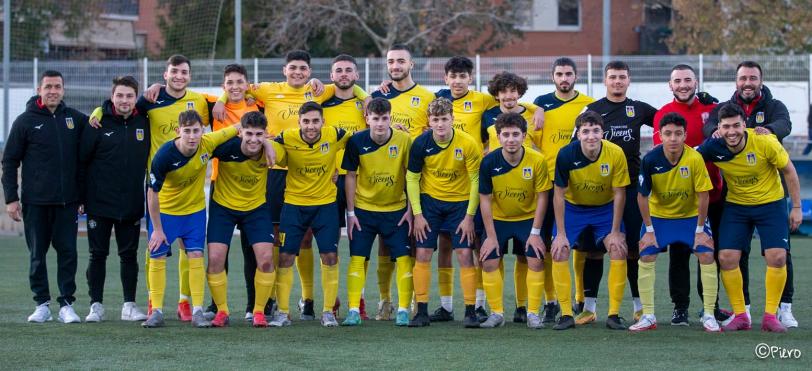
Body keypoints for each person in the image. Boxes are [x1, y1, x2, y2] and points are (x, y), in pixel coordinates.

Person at [703, 61, 797, 328]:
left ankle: (779, 311)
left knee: (779, 255)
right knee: (730, 256)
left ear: (761, 80)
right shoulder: (723, 114)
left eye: (752, 78)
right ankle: (741, 313)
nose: (747, 82)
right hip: (737, 202)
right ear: (736, 81)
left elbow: (784, 126)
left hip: (771, 199)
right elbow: (702, 143)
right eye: (743, 77)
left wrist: (797, 207)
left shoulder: (773, 110)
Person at [2, 70, 88, 323]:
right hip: (35, 203)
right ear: (39, 90)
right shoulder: (25, 121)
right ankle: (42, 304)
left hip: (67, 202)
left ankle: (66, 305)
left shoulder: (74, 119)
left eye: (57, 86)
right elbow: (9, 161)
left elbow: (98, 124)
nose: (53, 91)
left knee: (68, 253)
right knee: (37, 255)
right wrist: (11, 198)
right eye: (48, 86)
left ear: (63, 90)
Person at [143, 111, 240, 328]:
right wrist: (157, 229)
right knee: (157, 255)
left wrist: (269, 144)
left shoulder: (207, 142)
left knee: (196, 255)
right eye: (187, 131)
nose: (192, 136)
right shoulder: (164, 155)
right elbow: (152, 193)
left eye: (196, 130)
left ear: (202, 131)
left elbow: (238, 126)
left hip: (194, 212)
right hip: (166, 213)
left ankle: (197, 311)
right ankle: (156, 310)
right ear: (179, 132)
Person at [652, 64, 729, 326]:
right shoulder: (663, 113)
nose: (683, 85)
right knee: (679, 253)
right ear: (669, 85)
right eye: (678, 81)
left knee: (709, 250)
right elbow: (662, 152)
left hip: (712, 195)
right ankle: (680, 308)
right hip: (679, 200)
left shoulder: (713, 109)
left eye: (688, 80)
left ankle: (712, 306)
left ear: (696, 82)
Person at [629, 112, 720, 332]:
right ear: (659, 135)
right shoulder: (650, 159)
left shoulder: (695, 158)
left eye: (678, 134)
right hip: (660, 218)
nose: (673, 139)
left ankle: (709, 314)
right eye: (668, 134)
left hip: (690, 218)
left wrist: (700, 229)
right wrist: (649, 229)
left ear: (685, 135)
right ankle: (648, 315)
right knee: (647, 253)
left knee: (707, 253)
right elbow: (642, 196)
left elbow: (703, 195)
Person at [581, 61, 656, 325]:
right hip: (602, 189)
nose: (617, 81)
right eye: (612, 77)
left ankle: (638, 307)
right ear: (605, 80)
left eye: (622, 77)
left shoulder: (638, 109)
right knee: (595, 250)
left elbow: (666, 121)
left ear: (628, 80)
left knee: (633, 249)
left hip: (632, 187)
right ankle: (589, 309)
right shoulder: (593, 110)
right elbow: (576, 142)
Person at [268, 102, 349, 328]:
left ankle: (328, 312)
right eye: (306, 121)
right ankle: (283, 312)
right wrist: (265, 141)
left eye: (315, 121)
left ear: (323, 121)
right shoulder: (287, 138)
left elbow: (359, 139)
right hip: (293, 206)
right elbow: (272, 150)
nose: (311, 126)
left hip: (326, 206)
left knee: (330, 257)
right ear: (299, 122)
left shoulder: (335, 134)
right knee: (285, 257)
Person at [78, 76, 149, 322]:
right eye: (120, 95)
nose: (124, 100)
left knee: (129, 255)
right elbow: (82, 161)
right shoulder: (97, 122)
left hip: (130, 202)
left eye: (129, 96)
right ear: (112, 96)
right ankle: (95, 305)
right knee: (97, 254)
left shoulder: (144, 120)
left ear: (135, 97)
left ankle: (129, 305)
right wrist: (81, 197)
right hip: (99, 202)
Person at [406, 97, 482, 328]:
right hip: (430, 204)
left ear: (453, 119)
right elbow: (412, 178)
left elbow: (475, 180)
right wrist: (417, 214)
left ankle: (470, 311)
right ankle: (421, 312)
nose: (440, 124)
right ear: (429, 121)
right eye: (435, 119)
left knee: (464, 254)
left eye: (444, 119)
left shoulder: (467, 143)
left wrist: (469, 217)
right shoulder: (420, 143)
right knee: (423, 253)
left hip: (460, 205)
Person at [551, 111, 630, 330]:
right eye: (585, 131)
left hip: (604, 209)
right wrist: (561, 234)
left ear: (602, 133)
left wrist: (615, 231)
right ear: (578, 134)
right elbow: (558, 194)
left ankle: (613, 314)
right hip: (573, 209)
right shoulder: (566, 154)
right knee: (560, 250)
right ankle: (566, 314)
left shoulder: (615, 153)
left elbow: (620, 193)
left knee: (617, 248)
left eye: (595, 131)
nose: (591, 136)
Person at [341, 98, 414, 326]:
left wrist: (411, 210)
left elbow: (411, 176)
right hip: (364, 210)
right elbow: (350, 176)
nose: (380, 123)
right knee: (357, 258)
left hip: (396, 210)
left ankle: (402, 310)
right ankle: (353, 310)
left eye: (384, 118)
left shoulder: (404, 140)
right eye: (375, 118)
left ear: (391, 118)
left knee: (403, 258)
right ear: (367, 119)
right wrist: (351, 213)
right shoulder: (356, 141)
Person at [532, 57, 595, 323]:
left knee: (581, 246)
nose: (564, 78)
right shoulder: (541, 104)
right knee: (547, 247)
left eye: (569, 73)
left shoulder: (589, 105)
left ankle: (581, 299)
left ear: (576, 76)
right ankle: (551, 302)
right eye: (559, 74)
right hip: (547, 184)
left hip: (578, 185)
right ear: (553, 76)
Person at [478, 112, 550, 329]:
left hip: (527, 219)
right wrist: (490, 237)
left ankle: (533, 313)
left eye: (516, 134)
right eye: (506, 134)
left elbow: (542, 196)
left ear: (524, 136)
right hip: (498, 220)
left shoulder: (537, 160)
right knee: (489, 260)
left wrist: (536, 233)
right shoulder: (489, 161)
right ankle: (497, 313)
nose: (511, 139)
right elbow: (485, 199)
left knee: (536, 260)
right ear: (498, 137)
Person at [205, 111, 277, 327]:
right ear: (240, 132)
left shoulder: (272, 149)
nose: (254, 139)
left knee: (265, 259)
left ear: (265, 134)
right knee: (216, 259)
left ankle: (258, 311)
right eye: (249, 134)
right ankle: (222, 311)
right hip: (223, 208)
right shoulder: (225, 147)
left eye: (258, 134)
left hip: (255, 209)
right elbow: (201, 145)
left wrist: (272, 145)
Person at [322, 54, 370, 319]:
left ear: (356, 75)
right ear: (332, 76)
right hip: (327, 181)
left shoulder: (366, 104)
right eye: (338, 70)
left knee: (358, 241)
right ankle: (329, 298)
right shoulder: (321, 102)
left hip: (356, 179)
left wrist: (366, 97)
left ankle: (358, 298)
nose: (343, 74)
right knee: (328, 243)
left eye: (348, 70)